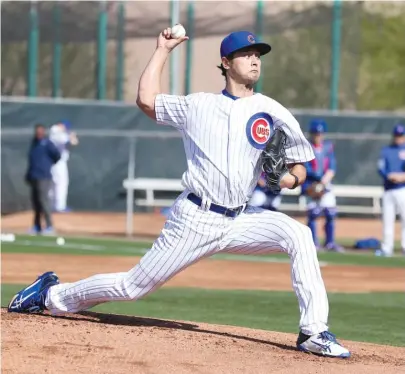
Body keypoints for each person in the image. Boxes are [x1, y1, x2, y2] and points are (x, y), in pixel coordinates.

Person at [8, 28, 350, 358]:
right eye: (245, 54)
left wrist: (288, 180)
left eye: (258, 54)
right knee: (132, 287)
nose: (255, 60)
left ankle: (313, 332)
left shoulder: (273, 111)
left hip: (241, 219)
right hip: (196, 218)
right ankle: (51, 295)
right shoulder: (197, 106)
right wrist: (163, 50)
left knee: (299, 234)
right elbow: (146, 100)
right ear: (226, 62)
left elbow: (302, 162)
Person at [301, 119, 344, 252]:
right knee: (313, 213)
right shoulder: (306, 147)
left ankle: (330, 242)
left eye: (320, 134)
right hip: (310, 184)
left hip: (325, 184)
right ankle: (313, 242)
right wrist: (316, 181)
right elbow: (305, 167)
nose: (318, 136)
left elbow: (332, 166)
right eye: (315, 134)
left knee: (330, 212)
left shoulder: (328, 147)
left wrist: (324, 182)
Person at [25, 124, 61, 235]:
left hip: (44, 177)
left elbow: (57, 155)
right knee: (36, 203)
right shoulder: (34, 144)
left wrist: (47, 165)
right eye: (37, 131)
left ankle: (49, 226)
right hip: (34, 176)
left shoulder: (47, 144)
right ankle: (37, 226)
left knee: (44, 201)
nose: (39, 133)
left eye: (41, 131)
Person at [376, 123, 405, 257]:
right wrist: (389, 175)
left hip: (402, 189)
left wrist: (402, 176)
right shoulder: (386, 150)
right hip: (389, 189)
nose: (398, 138)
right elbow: (381, 167)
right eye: (396, 135)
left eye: (401, 135)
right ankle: (387, 247)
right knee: (387, 220)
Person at [49, 120, 79, 213]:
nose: (65, 128)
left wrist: (70, 135)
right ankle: (59, 207)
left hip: (53, 162)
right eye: (64, 126)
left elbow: (73, 142)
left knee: (53, 185)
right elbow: (72, 141)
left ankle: (52, 206)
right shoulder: (56, 131)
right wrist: (71, 135)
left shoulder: (58, 132)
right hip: (58, 162)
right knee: (61, 184)